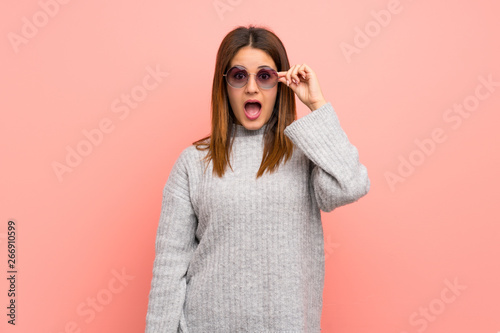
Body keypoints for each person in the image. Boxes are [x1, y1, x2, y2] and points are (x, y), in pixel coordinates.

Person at [145, 24, 370, 333]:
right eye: (239, 76)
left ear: (280, 83)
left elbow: (350, 185)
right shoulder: (193, 162)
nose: (252, 88)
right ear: (224, 85)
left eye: (264, 76)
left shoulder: (305, 153)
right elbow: (169, 267)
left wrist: (316, 104)